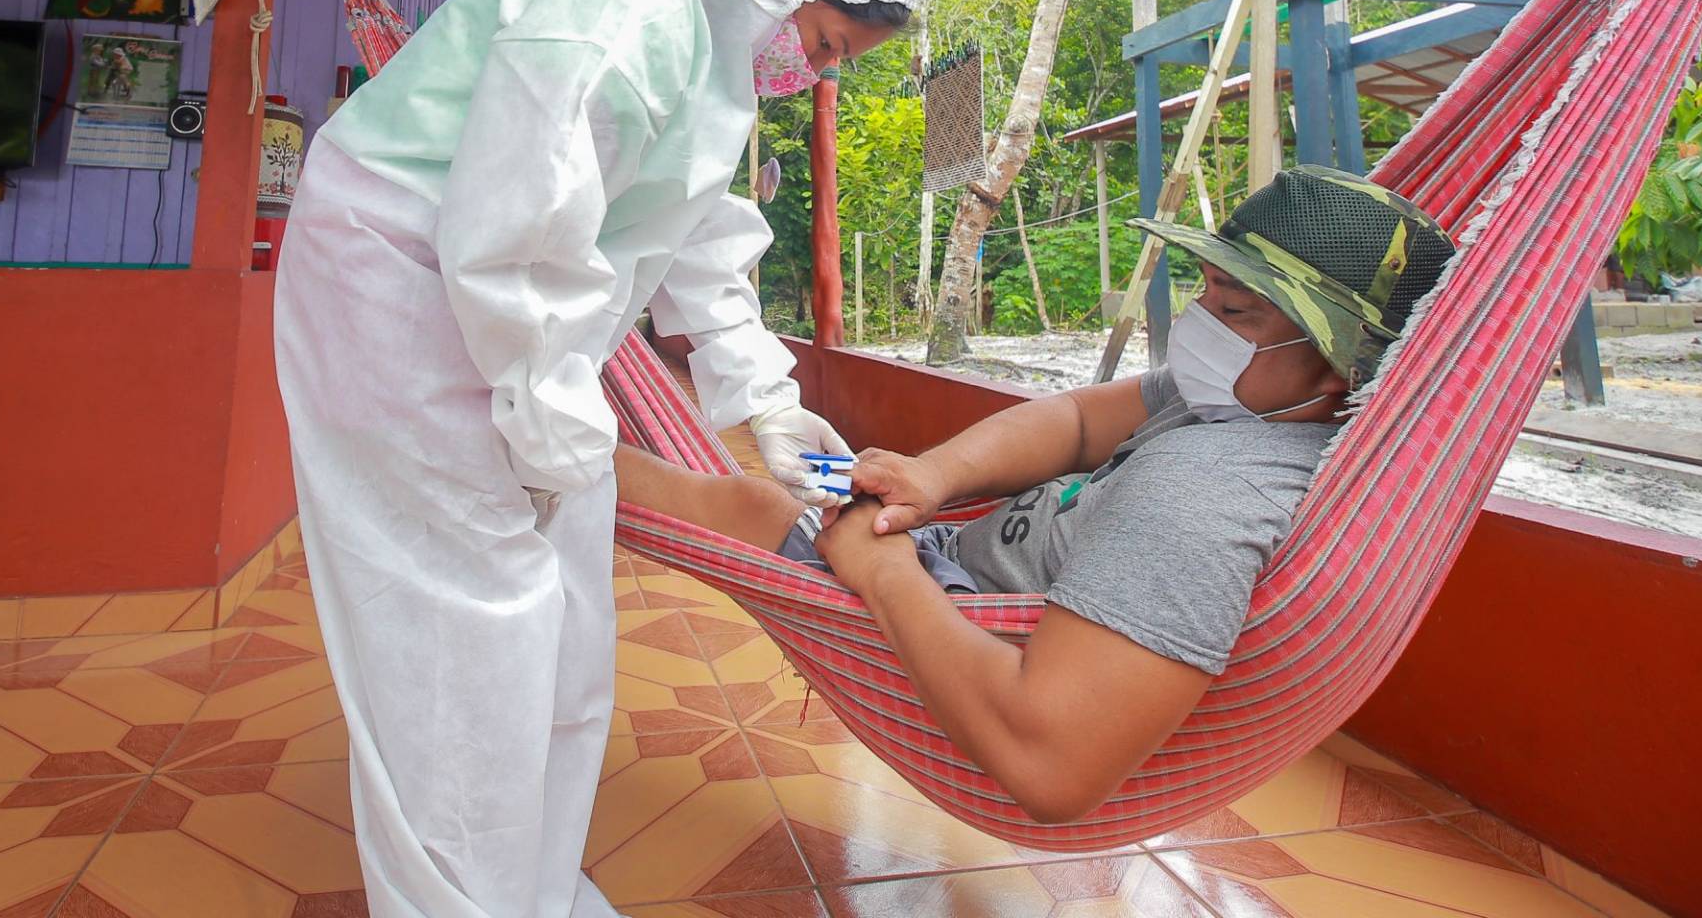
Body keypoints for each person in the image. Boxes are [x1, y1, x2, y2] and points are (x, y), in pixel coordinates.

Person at [273, 0, 940, 918]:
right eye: (826, 44)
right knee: (466, 628)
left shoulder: (715, 51)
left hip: (512, 307)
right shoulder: (622, 15)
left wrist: (765, 399)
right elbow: (511, 236)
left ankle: (533, 889)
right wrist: (546, 427)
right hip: (395, 278)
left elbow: (693, 227)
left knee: (570, 611)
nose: (816, 71)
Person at [616, 165, 1455, 824]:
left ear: (1341, 363)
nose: (1199, 318)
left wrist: (886, 574)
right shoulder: (1248, 400)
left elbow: (1052, 766)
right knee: (824, 475)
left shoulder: (1199, 500)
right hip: (940, 554)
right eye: (1204, 288)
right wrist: (930, 475)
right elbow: (1081, 419)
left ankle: (568, 463)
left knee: (759, 508)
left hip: (956, 620)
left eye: (1233, 308)